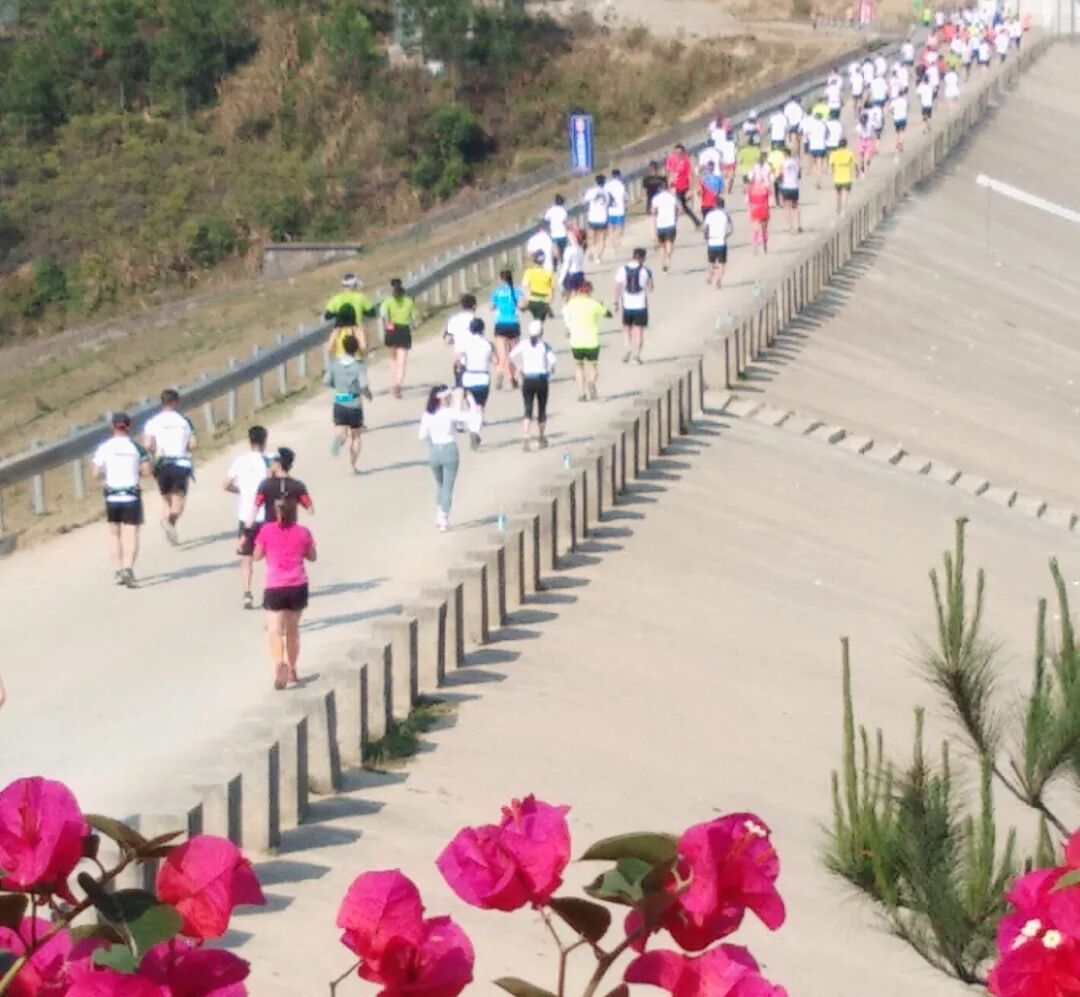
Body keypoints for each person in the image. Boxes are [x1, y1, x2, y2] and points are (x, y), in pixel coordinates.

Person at [254, 495, 316, 691]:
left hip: (275, 586)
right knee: (292, 630)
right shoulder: (303, 532)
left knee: (274, 629)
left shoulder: (267, 530)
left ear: (278, 513)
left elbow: (257, 555)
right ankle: (292, 668)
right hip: (297, 585)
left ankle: (279, 663)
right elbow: (312, 556)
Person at [92, 411, 152, 588]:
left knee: (114, 533)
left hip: (112, 496)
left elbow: (95, 474)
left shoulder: (104, 448)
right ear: (129, 427)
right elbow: (147, 471)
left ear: (112, 427)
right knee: (131, 532)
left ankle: (118, 570)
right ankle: (128, 568)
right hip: (131, 495)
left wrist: (107, 474)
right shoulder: (137, 448)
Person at [143, 388, 196, 546]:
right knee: (179, 498)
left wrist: (155, 451)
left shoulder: (153, 422)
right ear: (176, 402)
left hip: (162, 463)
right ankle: (170, 521)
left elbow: (147, 444)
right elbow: (194, 443)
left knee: (166, 499)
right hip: (180, 462)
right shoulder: (184, 421)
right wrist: (185, 447)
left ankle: (170, 530)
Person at [226, 425, 270, 609]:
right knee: (270, 556)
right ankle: (269, 590)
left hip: (245, 514)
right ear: (265, 441)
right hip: (266, 514)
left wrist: (241, 490)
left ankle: (247, 592)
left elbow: (226, 484)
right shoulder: (269, 461)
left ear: (249, 440)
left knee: (246, 556)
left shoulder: (240, 460)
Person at [418, 385, 470, 532]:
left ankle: (438, 512)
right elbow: (466, 418)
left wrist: (431, 445)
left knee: (440, 485)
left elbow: (422, 436)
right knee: (447, 487)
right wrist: (466, 402)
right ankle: (443, 517)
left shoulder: (428, 415)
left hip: (435, 451)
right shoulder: (448, 413)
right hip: (449, 449)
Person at [325, 334, 369, 473]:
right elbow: (363, 385)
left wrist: (337, 385)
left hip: (340, 401)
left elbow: (326, 381)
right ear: (356, 348)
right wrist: (368, 395)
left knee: (341, 432)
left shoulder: (335, 363)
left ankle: (339, 440)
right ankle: (352, 466)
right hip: (354, 403)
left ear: (343, 347)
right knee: (356, 437)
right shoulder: (358, 366)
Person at [509, 320, 556, 452]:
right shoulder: (545, 345)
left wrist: (519, 367)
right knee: (542, 409)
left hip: (528, 379)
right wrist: (550, 370)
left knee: (528, 408)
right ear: (541, 332)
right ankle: (541, 437)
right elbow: (553, 361)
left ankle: (526, 435)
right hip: (541, 379)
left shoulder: (523, 344)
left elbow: (511, 356)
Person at [562, 280, 610, 402]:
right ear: (590, 291)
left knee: (579, 367)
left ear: (578, 291)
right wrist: (601, 306)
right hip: (591, 340)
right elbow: (608, 314)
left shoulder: (572, 304)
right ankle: (591, 381)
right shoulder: (594, 304)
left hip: (576, 341)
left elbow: (566, 313)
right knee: (593, 366)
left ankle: (581, 394)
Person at [250, 447, 314, 527]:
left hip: (270, 530)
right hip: (290, 530)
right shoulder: (298, 486)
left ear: (278, 465)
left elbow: (255, 510)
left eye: (272, 461)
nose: (270, 464)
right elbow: (310, 510)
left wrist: (246, 530)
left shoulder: (265, 485)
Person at [456, 317, 494, 451]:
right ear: (482, 330)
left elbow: (460, 360)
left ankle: (472, 429)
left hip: (468, 378)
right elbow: (494, 359)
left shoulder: (466, 344)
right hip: (483, 378)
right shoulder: (487, 345)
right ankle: (475, 431)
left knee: (471, 406)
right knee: (479, 407)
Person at [614, 247, 654, 364]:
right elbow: (650, 288)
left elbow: (617, 286)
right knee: (639, 330)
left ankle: (628, 348)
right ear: (643, 258)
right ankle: (637, 355)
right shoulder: (646, 271)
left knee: (626, 328)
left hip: (627, 304)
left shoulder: (622, 269)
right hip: (640, 304)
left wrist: (615, 302)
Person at [379, 278, 415, 399]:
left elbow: (382, 314)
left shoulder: (388, 301)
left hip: (392, 329)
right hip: (404, 330)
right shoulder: (409, 301)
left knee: (392, 359)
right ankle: (398, 384)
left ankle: (394, 382)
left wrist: (387, 324)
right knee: (402, 361)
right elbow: (414, 317)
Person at [324, 274, 375, 358]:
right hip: (356, 331)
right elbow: (372, 312)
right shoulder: (360, 297)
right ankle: (367, 353)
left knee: (336, 353)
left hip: (340, 331)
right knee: (362, 350)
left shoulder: (336, 298)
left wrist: (338, 314)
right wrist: (361, 311)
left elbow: (327, 316)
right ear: (354, 285)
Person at [490, 270, 522, 391]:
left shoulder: (497, 292)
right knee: (513, 354)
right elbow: (521, 305)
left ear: (501, 279)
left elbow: (491, 307)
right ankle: (512, 377)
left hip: (500, 324)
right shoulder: (516, 291)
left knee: (502, 355)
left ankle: (500, 373)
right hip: (513, 323)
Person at [443, 294, 478, 388]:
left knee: (460, 389)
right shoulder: (476, 321)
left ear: (461, 306)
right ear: (474, 306)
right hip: (474, 360)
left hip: (459, 360)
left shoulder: (453, 320)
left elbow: (447, 341)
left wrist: (457, 339)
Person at [665, 144, 700, 227]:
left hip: (684, 187)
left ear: (683, 153)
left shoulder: (686, 161)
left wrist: (691, 190)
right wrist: (669, 184)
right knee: (676, 206)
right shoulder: (672, 160)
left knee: (683, 207)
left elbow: (691, 175)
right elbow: (670, 173)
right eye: (676, 153)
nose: (678, 155)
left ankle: (697, 222)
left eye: (680, 153)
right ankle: (671, 225)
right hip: (675, 187)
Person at [702, 197, 733, 289]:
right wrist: (725, 235)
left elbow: (705, 228)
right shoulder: (725, 215)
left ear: (715, 205)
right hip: (721, 241)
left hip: (712, 241)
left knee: (711, 262)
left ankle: (710, 276)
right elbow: (730, 229)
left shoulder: (709, 215)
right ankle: (718, 280)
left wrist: (706, 238)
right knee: (721, 263)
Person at [650, 181, 680, 273]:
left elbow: (653, 211)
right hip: (671, 224)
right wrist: (676, 217)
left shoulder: (656, 199)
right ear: (667, 188)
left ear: (659, 189)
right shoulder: (672, 198)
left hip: (660, 224)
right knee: (669, 242)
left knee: (662, 246)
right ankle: (668, 260)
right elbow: (679, 209)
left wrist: (655, 219)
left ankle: (663, 264)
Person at [582, 173, 613, 263]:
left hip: (593, 218)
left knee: (591, 237)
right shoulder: (607, 193)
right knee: (602, 239)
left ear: (596, 182)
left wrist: (582, 196)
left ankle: (591, 252)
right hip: (603, 218)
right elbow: (610, 204)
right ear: (604, 182)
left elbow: (584, 202)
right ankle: (598, 257)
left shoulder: (592, 191)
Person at [521, 250, 556, 326]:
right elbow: (553, 288)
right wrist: (550, 300)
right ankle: (538, 328)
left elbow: (524, 287)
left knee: (536, 319)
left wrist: (525, 300)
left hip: (532, 300)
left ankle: (536, 327)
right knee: (541, 321)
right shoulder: (549, 273)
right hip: (544, 301)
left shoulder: (529, 272)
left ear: (534, 260)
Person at [828, 137, 857, 214]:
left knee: (838, 194)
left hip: (837, 178)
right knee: (845, 194)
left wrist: (831, 171)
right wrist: (856, 173)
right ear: (846, 145)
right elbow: (854, 164)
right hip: (847, 178)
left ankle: (838, 208)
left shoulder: (834, 154)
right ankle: (843, 209)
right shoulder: (849, 153)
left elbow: (830, 165)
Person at [747, 170, 771, 256]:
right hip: (764, 208)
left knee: (755, 229)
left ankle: (755, 245)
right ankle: (765, 243)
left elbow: (748, 201)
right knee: (764, 229)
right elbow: (770, 200)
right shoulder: (765, 187)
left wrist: (749, 211)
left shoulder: (750, 188)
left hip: (754, 208)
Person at [558, 226, 587, 297]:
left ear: (575, 238)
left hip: (571, 275)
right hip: (580, 274)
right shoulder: (581, 249)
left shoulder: (569, 250)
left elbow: (566, 266)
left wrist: (561, 278)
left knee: (569, 296)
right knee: (577, 294)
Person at [778, 148, 802, 234]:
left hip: (786, 186)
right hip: (794, 186)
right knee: (795, 207)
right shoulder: (796, 163)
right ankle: (798, 225)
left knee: (787, 208)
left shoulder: (783, 164)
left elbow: (781, 176)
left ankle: (791, 227)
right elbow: (799, 176)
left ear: (784, 155)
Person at [544, 195, 570, 267]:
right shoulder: (563, 211)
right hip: (563, 234)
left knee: (555, 250)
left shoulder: (551, 210)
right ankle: (563, 262)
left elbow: (546, 218)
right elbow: (566, 222)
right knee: (563, 250)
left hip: (554, 234)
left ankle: (557, 264)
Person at [606, 169, 628, 250]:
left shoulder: (607, 185)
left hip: (610, 210)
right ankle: (614, 242)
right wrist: (626, 205)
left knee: (611, 228)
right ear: (619, 175)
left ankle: (612, 244)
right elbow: (625, 197)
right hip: (620, 210)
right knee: (620, 229)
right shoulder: (621, 185)